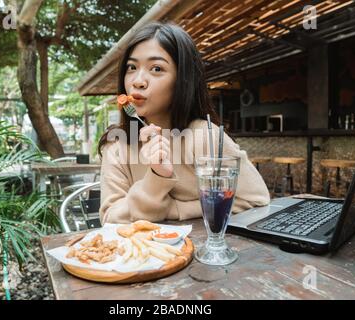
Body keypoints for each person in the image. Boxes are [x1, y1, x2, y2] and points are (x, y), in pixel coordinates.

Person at [98, 22, 270, 224]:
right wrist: (156, 177)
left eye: (156, 68)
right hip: (138, 255)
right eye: (131, 67)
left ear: (183, 79)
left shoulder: (205, 137)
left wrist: (175, 209)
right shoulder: (117, 146)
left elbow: (256, 199)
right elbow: (110, 218)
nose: (138, 81)